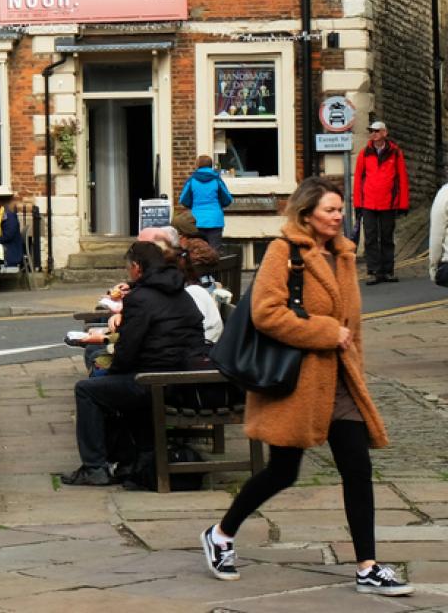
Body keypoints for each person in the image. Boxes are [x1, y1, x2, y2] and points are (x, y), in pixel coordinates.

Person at [202, 175, 411, 596]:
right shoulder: (284, 252)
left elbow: (352, 329)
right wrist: (324, 333)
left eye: (340, 209)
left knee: (358, 470)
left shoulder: (344, 254)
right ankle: (221, 534)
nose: (338, 217)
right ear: (306, 214)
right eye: (330, 210)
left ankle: (367, 566)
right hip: (296, 382)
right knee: (282, 472)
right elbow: (265, 313)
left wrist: (350, 357)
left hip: (340, 382)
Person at [60, 240, 207, 486]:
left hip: (159, 382)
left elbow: (127, 351)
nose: (129, 272)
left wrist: (110, 371)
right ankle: (137, 456)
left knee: (88, 390)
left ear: (137, 267)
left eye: (129, 267)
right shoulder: (180, 292)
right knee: (115, 383)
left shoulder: (141, 298)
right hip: (188, 378)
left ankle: (94, 467)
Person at [353, 121, 409, 284]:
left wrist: (403, 204)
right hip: (368, 203)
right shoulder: (364, 154)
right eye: (371, 131)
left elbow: (402, 179)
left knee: (386, 238)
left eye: (377, 131)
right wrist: (358, 204)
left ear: (385, 133)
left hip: (388, 203)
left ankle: (387, 271)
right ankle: (374, 271)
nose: (373, 134)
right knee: (370, 238)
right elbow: (358, 180)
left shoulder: (395, 153)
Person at [178, 155, 234, 252]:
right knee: (214, 251)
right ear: (211, 165)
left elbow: (183, 199)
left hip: (196, 220)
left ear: (197, 165)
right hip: (215, 220)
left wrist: (193, 206)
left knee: (197, 250)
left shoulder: (192, 180)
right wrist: (219, 205)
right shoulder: (217, 180)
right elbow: (227, 199)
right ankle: (213, 267)